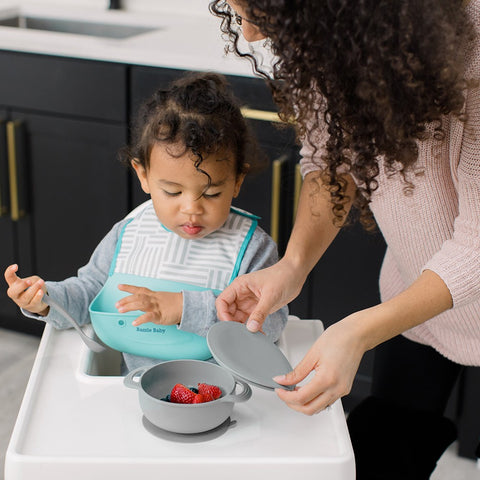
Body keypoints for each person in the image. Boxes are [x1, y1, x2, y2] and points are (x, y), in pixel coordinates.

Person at [209, 0, 480, 477]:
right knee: (384, 452)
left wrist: (358, 331)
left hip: (455, 281)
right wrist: (293, 264)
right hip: (417, 299)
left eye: (259, 13)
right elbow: (331, 162)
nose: (249, 35)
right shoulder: (336, 47)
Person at [4, 71, 288, 373]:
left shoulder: (253, 248)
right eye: (172, 191)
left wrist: (184, 308)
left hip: (220, 395)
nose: (192, 209)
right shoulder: (129, 233)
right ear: (143, 175)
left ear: (237, 181)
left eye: (212, 193)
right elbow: (89, 292)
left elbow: (272, 323)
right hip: (134, 390)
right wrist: (46, 299)